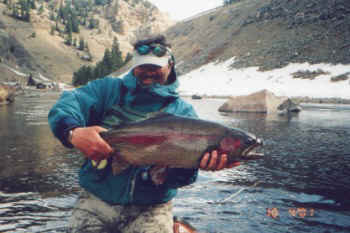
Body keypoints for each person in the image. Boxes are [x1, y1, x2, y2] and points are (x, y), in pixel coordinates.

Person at [48, 35, 240, 233]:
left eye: (155, 67)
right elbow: (66, 105)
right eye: (142, 66)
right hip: (96, 199)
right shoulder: (107, 90)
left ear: (170, 65)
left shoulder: (185, 114)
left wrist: (192, 166)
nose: (148, 73)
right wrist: (73, 132)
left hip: (153, 207)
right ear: (133, 67)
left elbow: (180, 180)